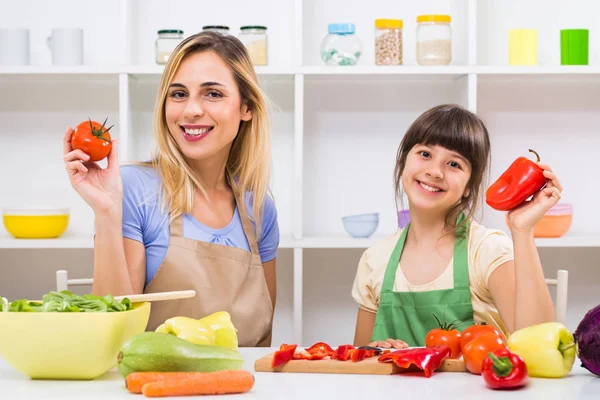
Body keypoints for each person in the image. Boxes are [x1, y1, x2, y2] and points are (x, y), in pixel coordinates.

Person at [62, 32, 279, 347]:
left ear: (246, 107)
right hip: (152, 392)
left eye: (213, 94)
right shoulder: (136, 189)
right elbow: (111, 336)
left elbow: (263, 337)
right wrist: (106, 212)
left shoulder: (258, 208)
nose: (191, 110)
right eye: (178, 94)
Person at [352, 104, 561, 348]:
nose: (435, 172)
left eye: (454, 164)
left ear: (469, 186)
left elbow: (537, 343)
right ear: (403, 162)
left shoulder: (486, 249)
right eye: (425, 154)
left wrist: (522, 230)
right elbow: (361, 363)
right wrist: (379, 349)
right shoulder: (375, 260)